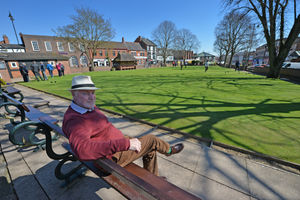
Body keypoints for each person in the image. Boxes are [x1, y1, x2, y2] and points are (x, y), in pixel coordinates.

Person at [62, 76, 184, 176]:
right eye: (85, 93)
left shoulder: (86, 107)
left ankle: (153, 178)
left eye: (93, 92)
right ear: (73, 94)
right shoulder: (75, 120)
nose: (91, 97)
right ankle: (168, 150)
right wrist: (125, 144)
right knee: (151, 141)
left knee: (148, 147)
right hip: (110, 159)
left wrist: (123, 140)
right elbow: (82, 149)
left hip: (115, 146)